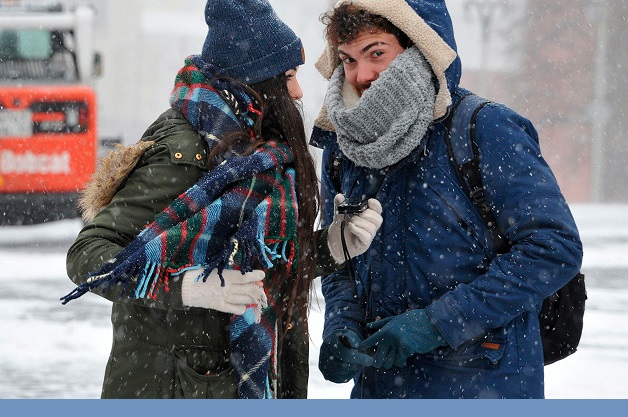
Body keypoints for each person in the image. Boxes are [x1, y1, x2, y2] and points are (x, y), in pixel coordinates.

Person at [62, 0, 382, 399]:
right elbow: (88, 255)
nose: (298, 91)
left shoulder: (261, 155)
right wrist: (187, 287)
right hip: (170, 387)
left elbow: (262, 266)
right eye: (287, 76)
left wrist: (334, 245)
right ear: (254, 81)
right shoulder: (184, 149)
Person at [311, 0, 583, 399]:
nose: (361, 75)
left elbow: (553, 249)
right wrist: (341, 323)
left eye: (377, 54)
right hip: (381, 388)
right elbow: (340, 255)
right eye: (348, 60)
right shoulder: (343, 146)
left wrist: (437, 323)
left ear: (421, 48)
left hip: (484, 383)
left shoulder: (486, 128)